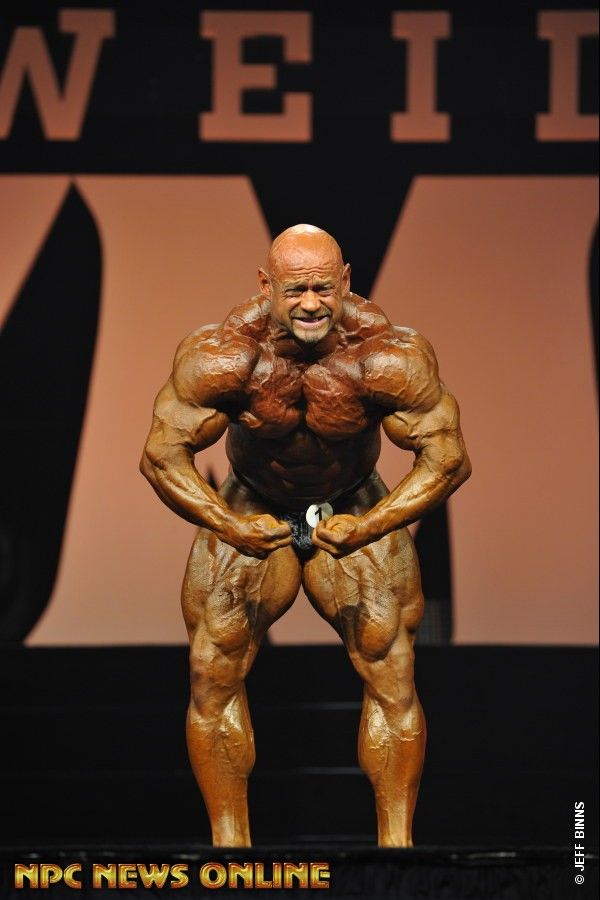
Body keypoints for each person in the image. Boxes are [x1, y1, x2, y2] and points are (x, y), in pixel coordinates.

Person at [140, 224, 471, 847]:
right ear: (266, 285)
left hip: (353, 500)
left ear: (345, 281)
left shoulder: (385, 356)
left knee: (392, 670)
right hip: (253, 500)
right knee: (212, 670)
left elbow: (447, 459)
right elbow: (162, 456)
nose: (311, 304)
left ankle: (397, 857)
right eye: (295, 290)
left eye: (323, 288)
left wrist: (372, 524)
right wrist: (227, 523)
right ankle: (231, 854)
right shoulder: (226, 355)